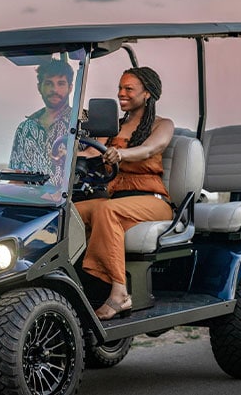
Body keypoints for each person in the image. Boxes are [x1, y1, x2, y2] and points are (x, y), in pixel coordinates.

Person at [75, 66, 174, 320]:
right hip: (116, 199)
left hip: (152, 201)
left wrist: (122, 154)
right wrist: (64, 156)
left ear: (147, 94)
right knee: (69, 213)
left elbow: (151, 148)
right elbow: (92, 153)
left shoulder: (162, 125)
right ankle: (73, 283)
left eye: (129, 88)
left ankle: (119, 293)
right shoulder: (112, 127)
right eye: (120, 88)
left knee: (105, 210)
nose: (121, 93)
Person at [8, 59, 74, 187]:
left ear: (70, 88)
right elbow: (17, 178)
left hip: (69, 202)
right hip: (32, 203)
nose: (55, 89)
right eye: (49, 83)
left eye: (61, 84)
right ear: (39, 87)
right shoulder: (25, 128)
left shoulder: (82, 120)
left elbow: (95, 155)